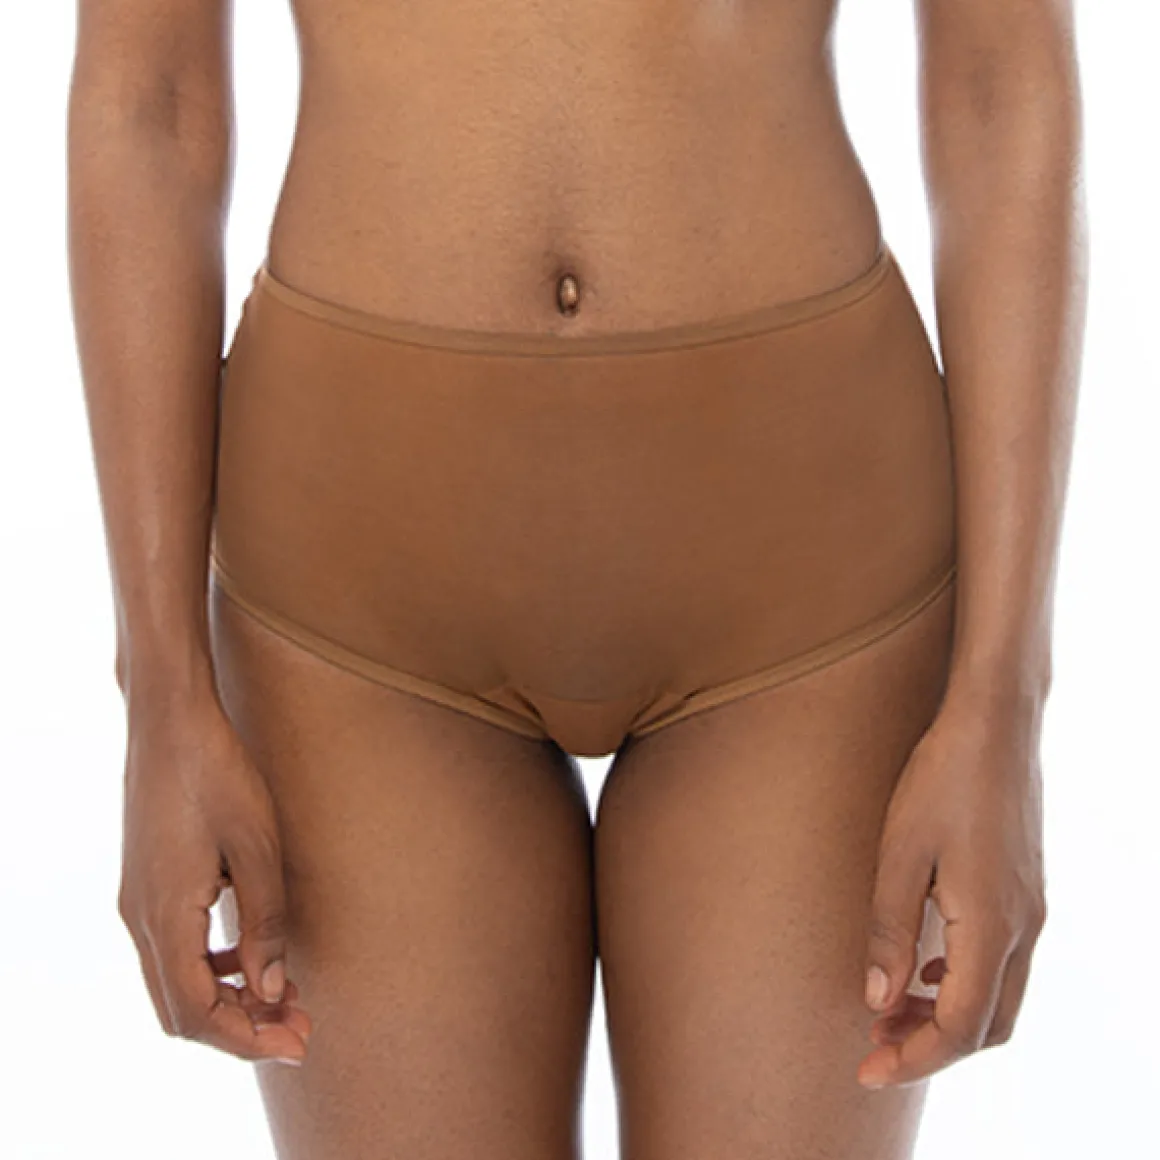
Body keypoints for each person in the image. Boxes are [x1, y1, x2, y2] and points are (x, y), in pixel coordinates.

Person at [66, 0, 1086, 1156]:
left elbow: (998, 80)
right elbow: (147, 100)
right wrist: (161, 692)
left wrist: (1001, 698)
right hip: (356, 597)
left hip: (807, 581)